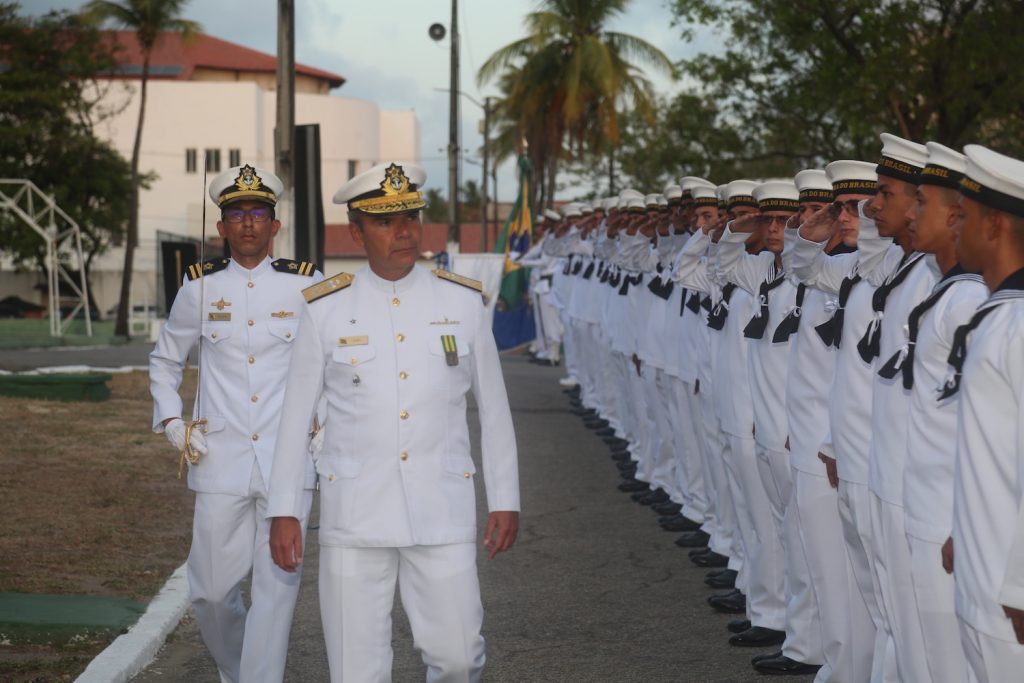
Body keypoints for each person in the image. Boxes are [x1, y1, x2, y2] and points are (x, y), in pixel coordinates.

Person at [266, 161, 520, 683]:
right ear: (356, 232)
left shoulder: (462, 301)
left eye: (410, 217)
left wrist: (505, 498)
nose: (403, 231)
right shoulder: (325, 308)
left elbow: (493, 410)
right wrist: (285, 511)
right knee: (357, 671)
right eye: (385, 221)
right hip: (355, 513)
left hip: (440, 508)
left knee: (458, 657)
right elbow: (294, 421)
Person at [149, 164, 323, 683]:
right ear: (220, 227)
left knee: (276, 590)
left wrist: (326, 424)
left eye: (258, 213)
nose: (248, 223)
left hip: (287, 460)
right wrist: (172, 421)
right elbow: (164, 360)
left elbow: (334, 362)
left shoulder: (306, 283)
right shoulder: (200, 288)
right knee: (210, 591)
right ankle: (239, 671)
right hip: (221, 457)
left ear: (275, 225)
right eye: (236, 214)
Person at [945, 144, 1024, 682]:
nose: (957, 227)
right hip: (981, 571)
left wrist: (1020, 585)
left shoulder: (1019, 325)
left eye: (965, 216)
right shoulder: (998, 315)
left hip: (1007, 591)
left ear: (994, 224)